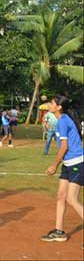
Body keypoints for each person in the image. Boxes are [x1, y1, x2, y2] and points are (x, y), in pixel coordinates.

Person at [41, 95, 83, 243]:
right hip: (68, 163)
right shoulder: (61, 120)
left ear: (58, 107)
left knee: (72, 199)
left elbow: (64, 147)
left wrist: (54, 165)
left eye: (51, 103)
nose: (49, 104)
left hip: (77, 163)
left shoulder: (63, 121)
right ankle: (59, 231)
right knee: (60, 196)